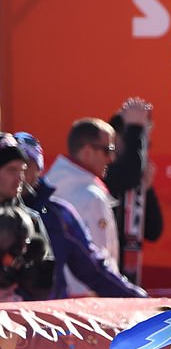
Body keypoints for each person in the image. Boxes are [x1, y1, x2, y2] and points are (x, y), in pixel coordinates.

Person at [15, 132, 146, 299]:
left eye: (25, 165)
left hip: (44, 320)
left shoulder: (58, 215)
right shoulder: (83, 196)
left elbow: (94, 269)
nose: (19, 174)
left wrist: (141, 301)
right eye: (10, 167)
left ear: (38, 169)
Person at [45, 118, 122, 293]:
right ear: (87, 151)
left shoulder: (47, 185)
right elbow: (100, 263)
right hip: (89, 302)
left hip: (53, 298)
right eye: (108, 150)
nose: (111, 158)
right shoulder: (91, 197)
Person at [105, 98, 164, 284]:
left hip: (125, 282)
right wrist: (135, 128)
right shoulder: (103, 174)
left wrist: (147, 190)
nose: (141, 152)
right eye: (136, 144)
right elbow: (127, 173)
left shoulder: (131, 177)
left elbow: (154, 231)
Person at [0, 133, 54, 301]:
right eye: (11, 170)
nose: (20, 179)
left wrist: (29, 265)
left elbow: (44, 288)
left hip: (17, 320)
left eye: (22, 170)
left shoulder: (30, 220)